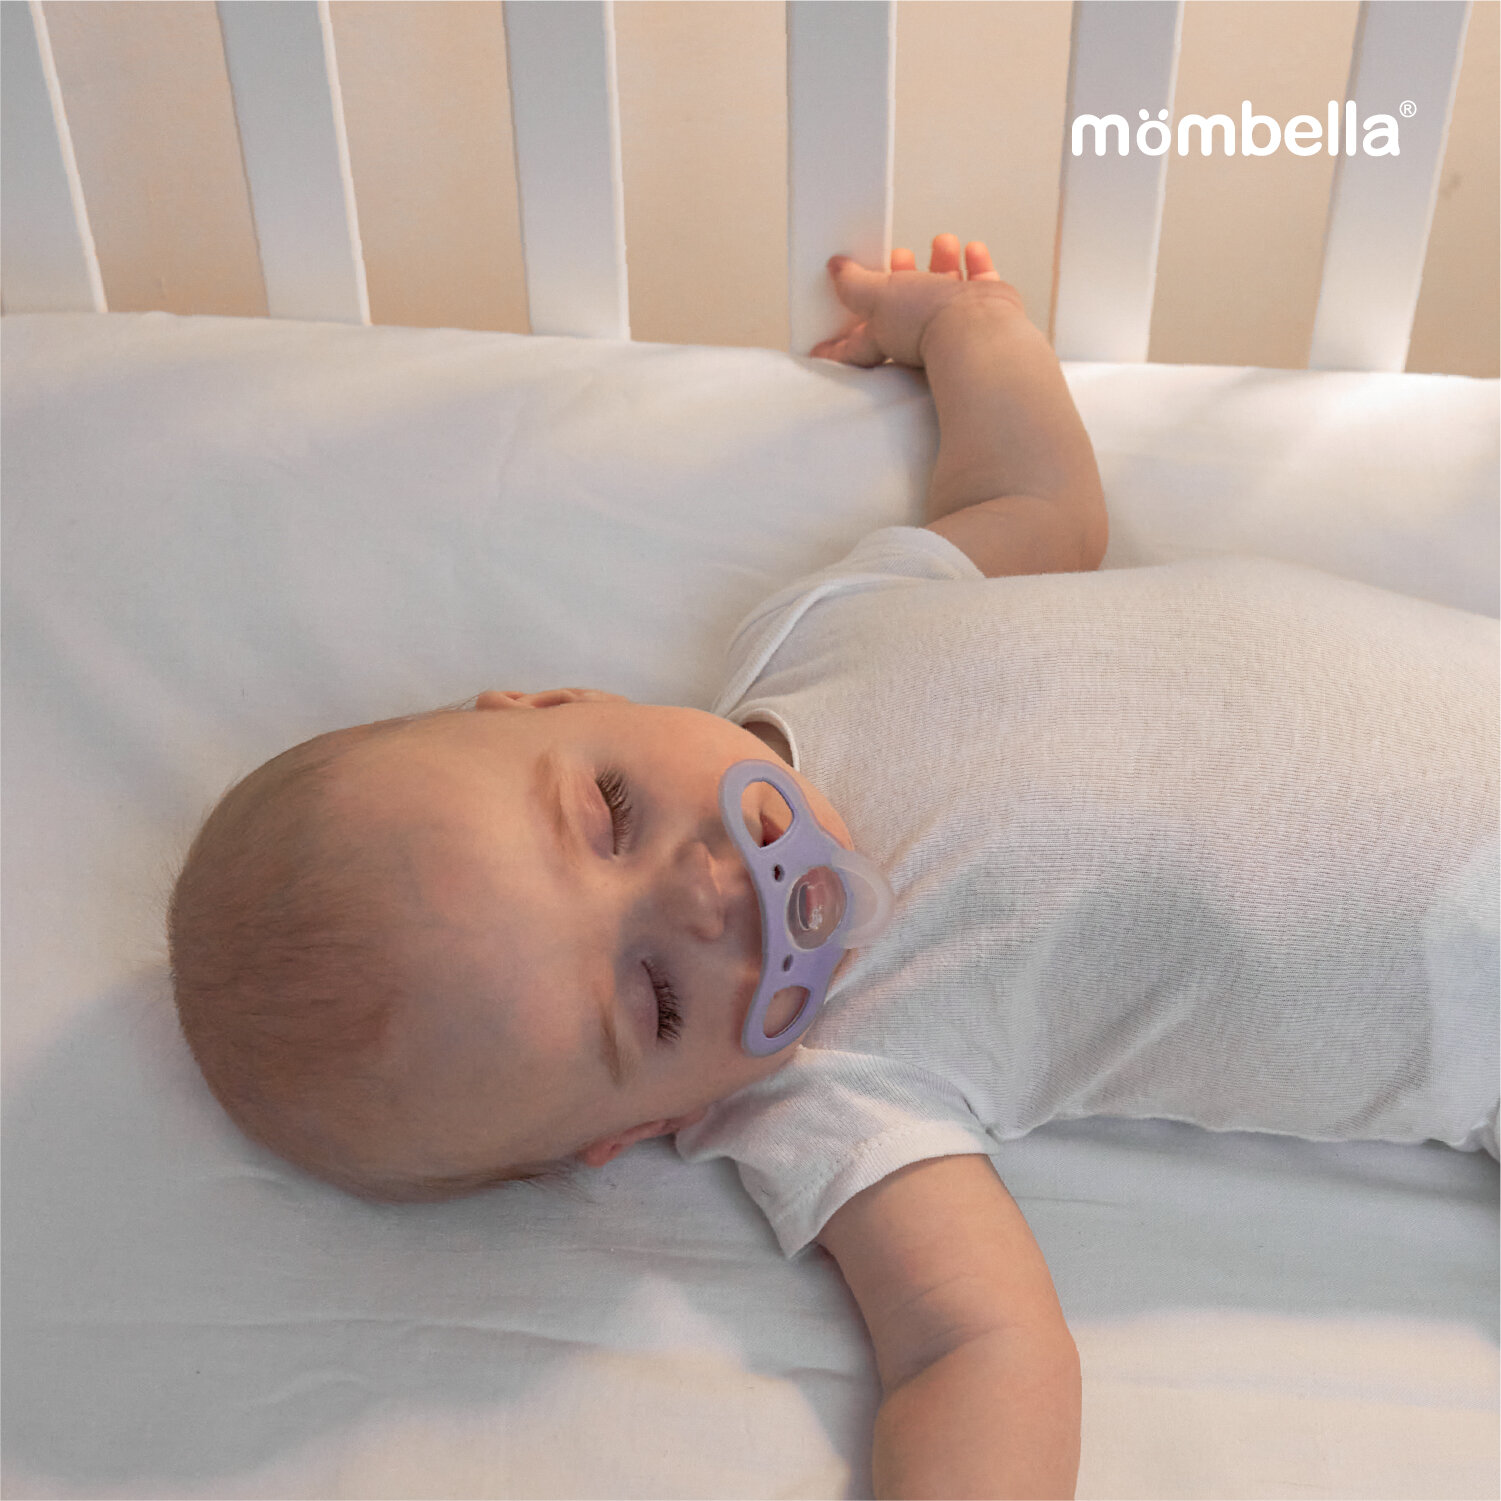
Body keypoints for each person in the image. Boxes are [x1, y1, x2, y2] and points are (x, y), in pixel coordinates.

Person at [168, 234, 1497, 1499]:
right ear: (628, 1131)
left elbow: (1036, 510)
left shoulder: (819, 634)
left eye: (610, 813)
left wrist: (972, 331)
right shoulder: (823, 1085)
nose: (706, 894)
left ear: (558, 700)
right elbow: (972, 1345)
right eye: (652, 1000)